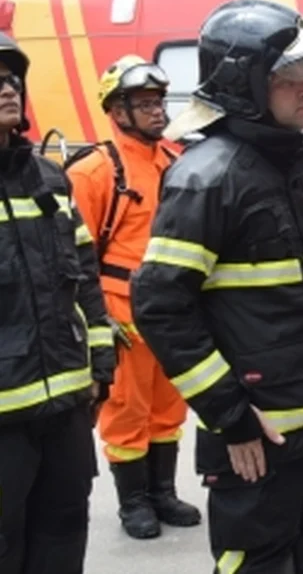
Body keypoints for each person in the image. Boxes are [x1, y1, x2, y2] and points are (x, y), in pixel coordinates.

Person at [130, 0, 303, 574]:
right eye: (290, 78)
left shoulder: (291, 163)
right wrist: (229, 415)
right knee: (257, 563)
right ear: (245, 83)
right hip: (260, 430)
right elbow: (160, 305)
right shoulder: (209, 177)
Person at [65, 54, 201, 541]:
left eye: (159, 102)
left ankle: (162, 492)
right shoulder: (96, 171)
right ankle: (134, 501)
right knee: (127, 409)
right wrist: (96, 319)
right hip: (121, 311)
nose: (158, 111)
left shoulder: (175, 163)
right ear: (118, 110)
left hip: (172, 311)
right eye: (145, 104)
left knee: (169, 406)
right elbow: (73, 256)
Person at [0, 32, 116, 573]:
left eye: (10, 79)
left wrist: (100, 365)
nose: (7, 88)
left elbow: (84, 276)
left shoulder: (49, 179)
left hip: (65, 406)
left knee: (64, 531)